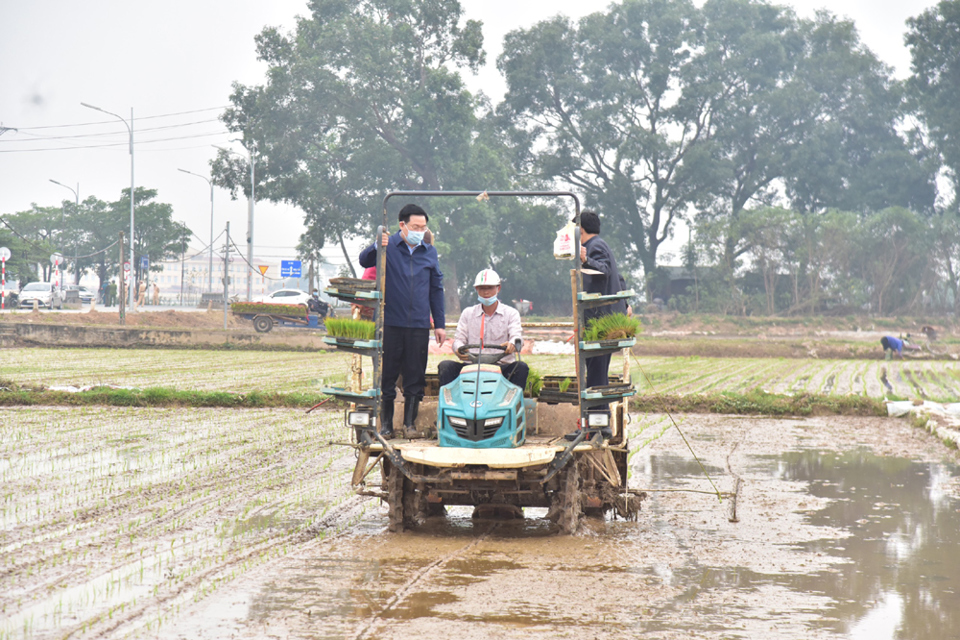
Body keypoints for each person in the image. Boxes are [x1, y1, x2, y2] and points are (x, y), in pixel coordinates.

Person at [358, 203, 445, 438]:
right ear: (402, 226)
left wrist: (440, 324)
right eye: (415, 226)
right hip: (390, 322)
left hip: (418, 324)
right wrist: (377, 244)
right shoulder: (388, 247)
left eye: (423, 227)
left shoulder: (429, 252)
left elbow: (436, 290)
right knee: (387, 375)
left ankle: (410, 425)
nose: (420, 230)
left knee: (415, 375)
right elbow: (364, 261)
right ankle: (386, 425)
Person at [567, 210, 626, 441]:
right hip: (598, 322)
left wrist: (585, 260)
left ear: (580, 230)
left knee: (596, 375)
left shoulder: (594, 246)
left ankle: (598, 427)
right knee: (595, 375)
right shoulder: (598, 244)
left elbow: (605, 271)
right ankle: (596, 425)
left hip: (599, 323)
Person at [438, 269, 528, 391]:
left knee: (521, 367)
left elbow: (516, 336)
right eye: (482, 288)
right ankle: (452, 405)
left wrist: (512, 344)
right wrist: (459, 349)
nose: (486, 292)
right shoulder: (468, 313)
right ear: (476, 289)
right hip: (471, 366)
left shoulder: (511, 314)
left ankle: (511, 404)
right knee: (445, 366)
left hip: (501, 367)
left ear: (498, 288)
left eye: (490, 288)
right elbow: (459, 340)